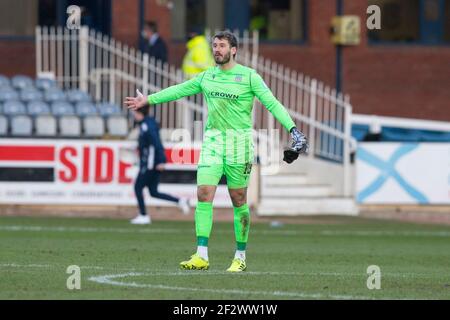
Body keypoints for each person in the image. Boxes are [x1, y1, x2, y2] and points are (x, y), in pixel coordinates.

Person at [125, 31, 308, 271]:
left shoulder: (249, 77)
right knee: (203, 193)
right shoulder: (206, 76)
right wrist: (149, 99)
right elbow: (179, 89)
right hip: (212, 143)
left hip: (239, 145)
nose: (217, 49)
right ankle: (201, 255)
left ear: (233, 50)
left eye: (221, 45)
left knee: (238, 199)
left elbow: (272, 104)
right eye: (214, 46)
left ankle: (240, 257)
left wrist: (293, 130)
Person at [130, 104, 190, 225]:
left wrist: (161, 160)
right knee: (153, 192)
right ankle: (180, 201)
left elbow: (156, 143)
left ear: (138, 112)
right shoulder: (147, 123)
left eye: (134, 112)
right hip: (151, 162)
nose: (133, 115)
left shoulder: (147, 125)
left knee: (138, 187)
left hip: (151, 163)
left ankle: (143, 215)